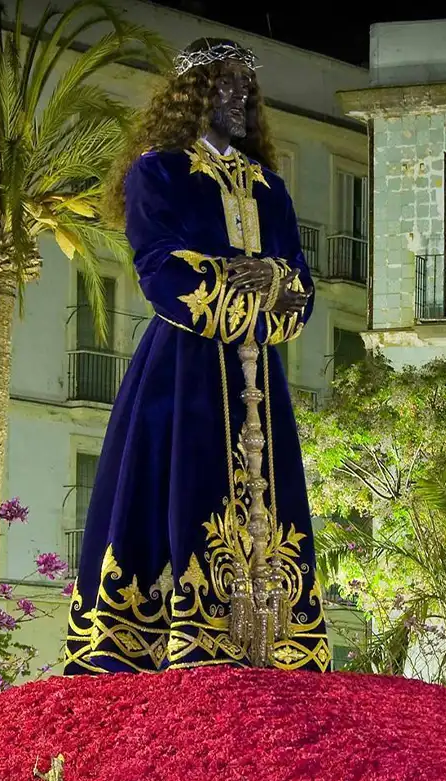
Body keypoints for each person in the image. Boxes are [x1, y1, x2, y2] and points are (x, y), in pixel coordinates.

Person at [65, 38, 331, 675]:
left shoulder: (268, 187)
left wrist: (270, 284)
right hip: (182, 366)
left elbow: (298, 278)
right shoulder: (157, 171)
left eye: (245, 85)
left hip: (258, 374)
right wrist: (232, 280)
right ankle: (175, 634)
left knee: (270, 487)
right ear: (194, 92)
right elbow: (158, 264)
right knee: (180, 477)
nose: (238, 96)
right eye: (225, 83)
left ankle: (272, 636)